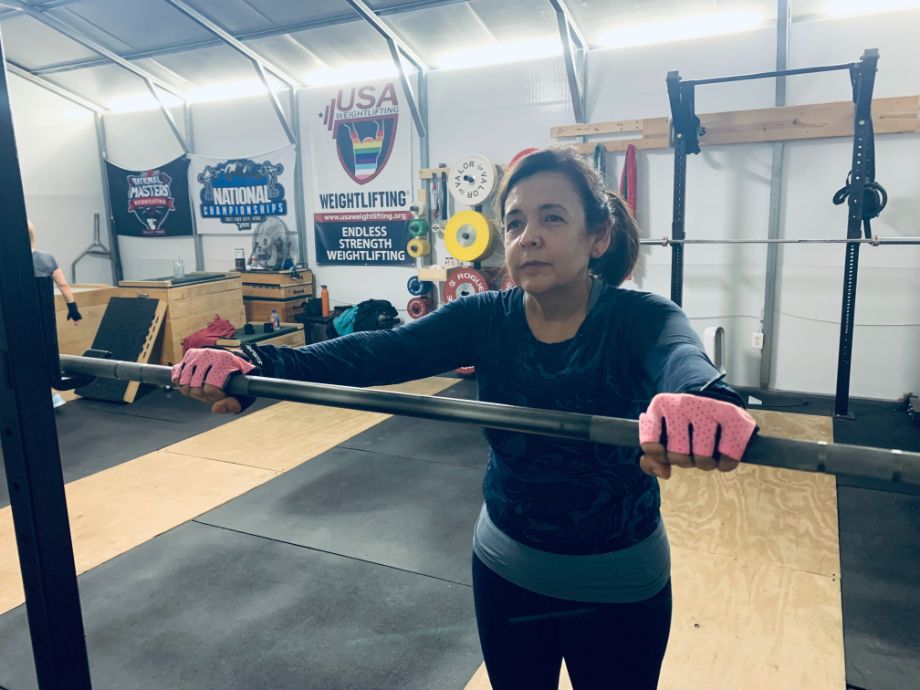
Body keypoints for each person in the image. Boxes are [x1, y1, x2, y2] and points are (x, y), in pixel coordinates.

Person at [171, 147, 758, 689]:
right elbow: (374, 352)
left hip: (619, 587)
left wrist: (701, 400)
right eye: (515, 223)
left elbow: (683, 361)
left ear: (598, 236)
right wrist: (255, 364)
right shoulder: (484, 317)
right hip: (505, 574)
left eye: (553, 218)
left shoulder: (641, 318)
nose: (529, 237)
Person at [30, 221, 82, 408]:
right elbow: (63, 285)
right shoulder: (46, 259)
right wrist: (73, 308)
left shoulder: (9, 259)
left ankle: (48, 394)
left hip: (18, 317)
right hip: (43, 317)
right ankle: (51, 394)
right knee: (43, 353)